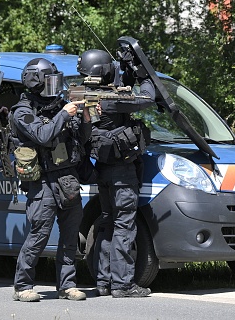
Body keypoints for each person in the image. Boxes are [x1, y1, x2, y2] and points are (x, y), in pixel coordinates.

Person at [77, 49, 156, 298]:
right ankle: (122, 284)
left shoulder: (85, 97)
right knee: (124, 226)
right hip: (121, 172)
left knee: (107, 224)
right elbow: (146, 99)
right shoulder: (110, 98)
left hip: (102, 169)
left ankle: (103, 281)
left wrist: (128, 72)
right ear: (103, 70)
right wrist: (144, 78)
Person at [12, 58, 92, 302]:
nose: (54, 86)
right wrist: (64, 114)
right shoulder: (22, 112)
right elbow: (43, 135)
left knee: (70, 238)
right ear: (35, 82)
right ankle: (22, 286)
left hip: (67, 178)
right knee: (38, 235)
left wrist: (86, 115)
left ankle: (67, 285)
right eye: (49, 81)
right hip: (43, 182)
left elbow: (82, 137)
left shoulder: (60, 106)